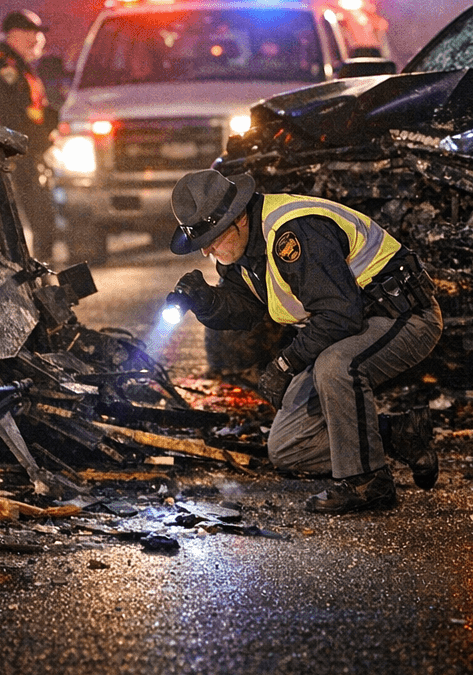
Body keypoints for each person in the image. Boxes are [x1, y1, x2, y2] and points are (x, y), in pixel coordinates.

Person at [165, 168, 444, 513]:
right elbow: (247, 309)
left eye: (213, 236)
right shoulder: (241, 250)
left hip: (402, 316)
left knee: (335, 366)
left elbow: (341, 314)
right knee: (287, 446)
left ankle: (367, 483)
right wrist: (206, 303)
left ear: (237, 217)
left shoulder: (293, 232)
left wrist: (286, 364)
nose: (207, 249)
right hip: (347, 328)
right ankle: (400, 434)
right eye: (201, 241)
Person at [0, 10, 60, 260]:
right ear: (14, 35)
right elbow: (12, 118)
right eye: (33, 33)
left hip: (8, 155)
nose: (39, 39)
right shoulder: (0, 67)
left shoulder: (17, 67)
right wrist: (39, 140)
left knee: (19, 222)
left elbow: (30, 113)